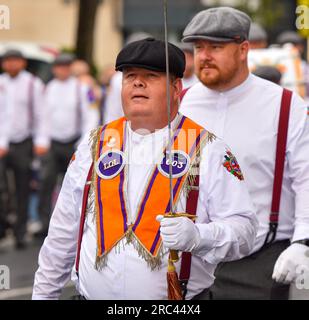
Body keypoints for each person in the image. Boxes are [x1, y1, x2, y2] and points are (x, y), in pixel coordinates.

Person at [32, 38, 257, 300]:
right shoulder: (94, 144)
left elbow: (245, 231)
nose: (137, 83)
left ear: (176, 88)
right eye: (130, 76)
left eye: (150, 75)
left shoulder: (208, 148)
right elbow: (62, 233)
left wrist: (199, 236)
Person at [180, 7, 309, 299]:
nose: (204, 56)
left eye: (216, 47)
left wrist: (303, 241)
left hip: (259, 263)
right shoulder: (181, 104)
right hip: (189, 261)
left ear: (243, 49)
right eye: (199, 47)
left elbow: (306, 178)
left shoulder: (286, 106)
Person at [36, 53, 99, 237]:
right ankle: (44, 222)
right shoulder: (48, 88)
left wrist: (83, 142)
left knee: (75, 183)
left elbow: (91, 114)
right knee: (46, 182)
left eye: (65, 66)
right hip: (52, 143)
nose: (62, 70)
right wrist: (42, 140)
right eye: (58, 66)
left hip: (74, 142)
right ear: (54, 69)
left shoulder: (82, 87)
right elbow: (43, 117)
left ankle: (77, 223)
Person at [0, 49, 48, 249]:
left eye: (15, 61)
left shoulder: (32, 83)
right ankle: (2, 229)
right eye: (8, 61)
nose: (11, 65)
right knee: (1, 188)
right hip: (1, 141)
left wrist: (41, 140)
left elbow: (41, 114)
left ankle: (20, 232)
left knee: (22, 188)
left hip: (24, 142)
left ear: (22, 63)